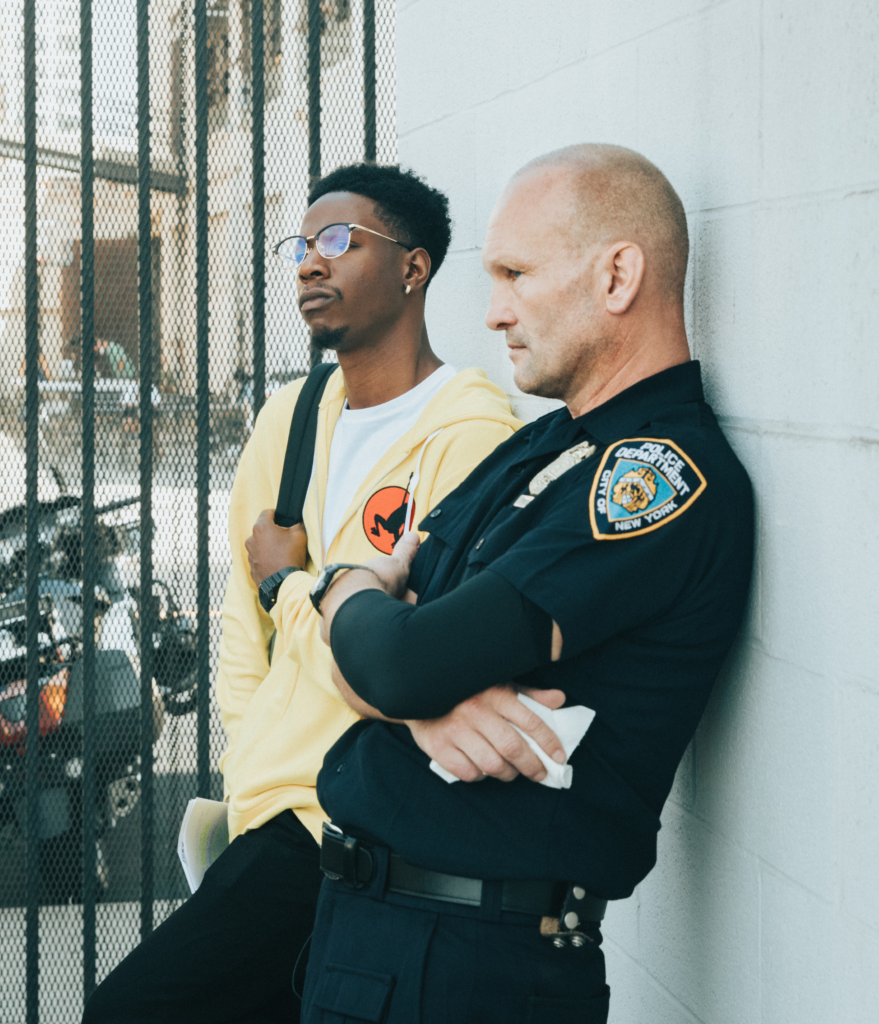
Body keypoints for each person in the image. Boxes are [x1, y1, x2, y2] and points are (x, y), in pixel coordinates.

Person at [289, 144, 754, 1023]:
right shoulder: (545, 443)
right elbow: (377, 656)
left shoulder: (659, 476)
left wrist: (353, 598)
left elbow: (396, 654)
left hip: (472, 962)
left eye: (515, 274)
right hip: (376, 934)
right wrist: (411, 692)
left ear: (617, 276)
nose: (493, 311)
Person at [83, 162, 521, 1023]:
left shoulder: (469, 438)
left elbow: (404, 656)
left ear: (414, 266)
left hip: (362, 814)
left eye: (339, 240)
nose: (310, 263)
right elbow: (242, 621)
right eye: (302, 245)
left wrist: (290, 584)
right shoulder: (290, 417)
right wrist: (252, 757)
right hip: (271, 814)